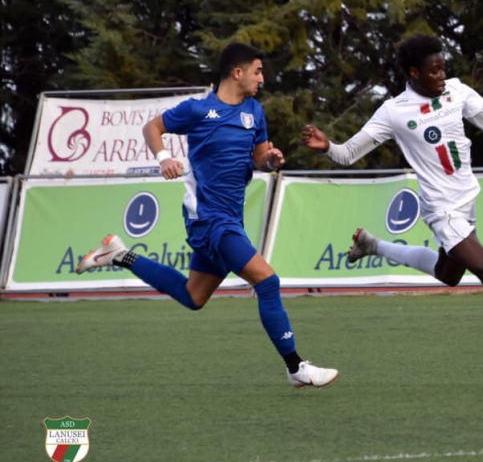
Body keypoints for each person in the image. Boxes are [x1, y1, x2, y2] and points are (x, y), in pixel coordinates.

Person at [302, 34, 483, 384]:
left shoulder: (458, 91)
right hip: (441, 210)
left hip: (467, 201)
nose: (441, 75)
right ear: (414, 72)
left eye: (443, 68)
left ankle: (373, 245)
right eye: (434, 70)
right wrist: (326, 147)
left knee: (449, 274)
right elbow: (349, 153)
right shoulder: (394, 112)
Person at [77, 42, 338, 388]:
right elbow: (151, 129)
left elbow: (260, 158)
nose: (262, 78)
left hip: (229, 218)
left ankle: (120, 255)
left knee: (193, 296)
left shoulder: (254, 112)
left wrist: (270, 161)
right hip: (209, 220)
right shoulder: (197, 110)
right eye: (258, 71)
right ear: (237, 72)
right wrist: (163, 159)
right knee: (268, 281)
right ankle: (296, 368)